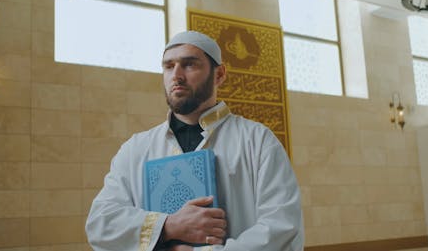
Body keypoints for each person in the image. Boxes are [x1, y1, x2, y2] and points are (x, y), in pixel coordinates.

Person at [85, 31, 304, 251]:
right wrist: (168, 226)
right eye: (169, 66)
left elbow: (282, 227)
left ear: (219, 74)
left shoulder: (257, 141)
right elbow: (101, 224)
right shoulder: (136, 149)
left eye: (189, 64)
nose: (177, 75)